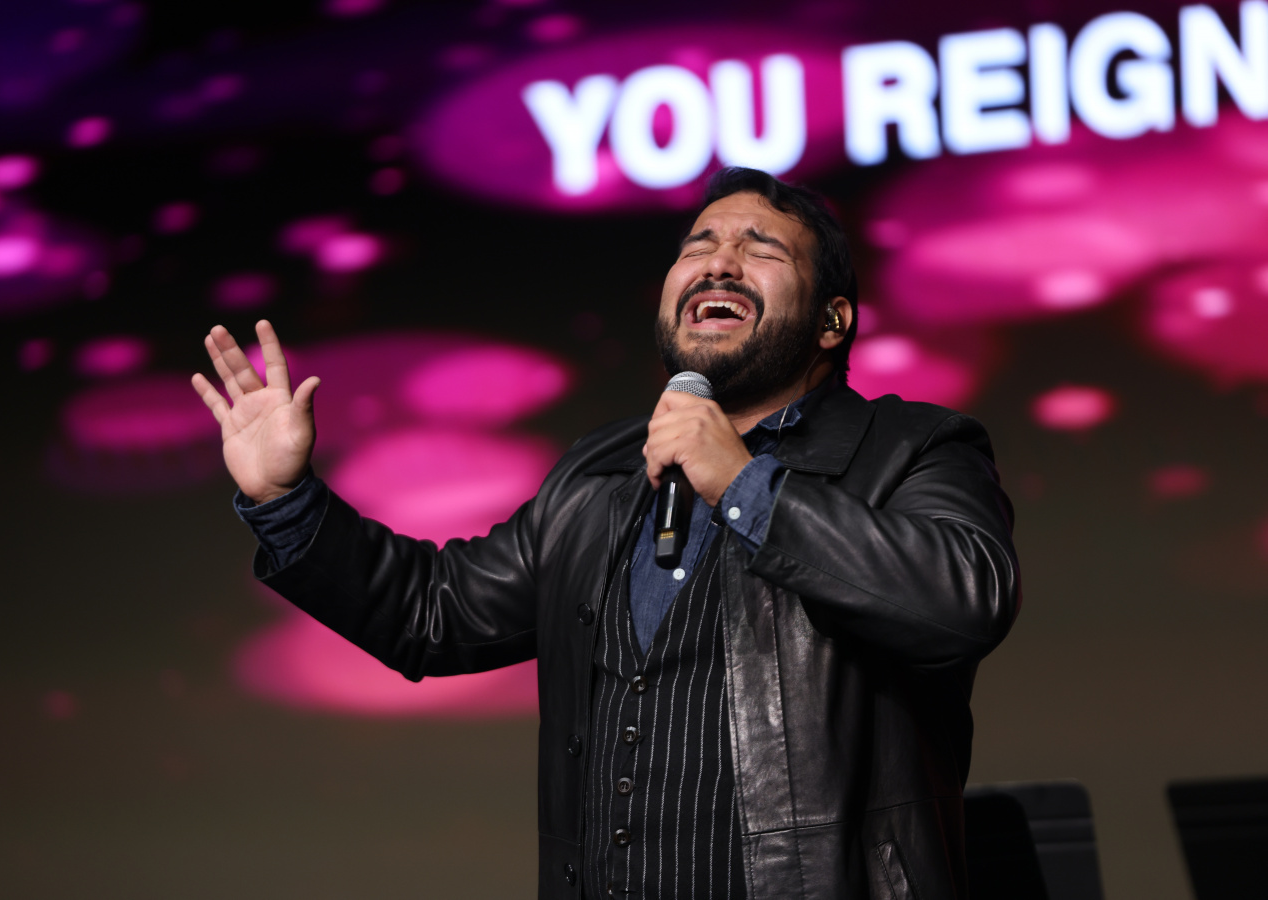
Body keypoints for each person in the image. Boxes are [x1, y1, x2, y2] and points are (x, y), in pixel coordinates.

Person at [192, 167, 1021, 900]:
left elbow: (961, 601)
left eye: (760, 247)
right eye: (698, 245)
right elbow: (433, 614)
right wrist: (285, 498)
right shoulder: (600, 474)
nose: (718, 262)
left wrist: (742, 482)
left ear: (832, 321)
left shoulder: (908, 448)